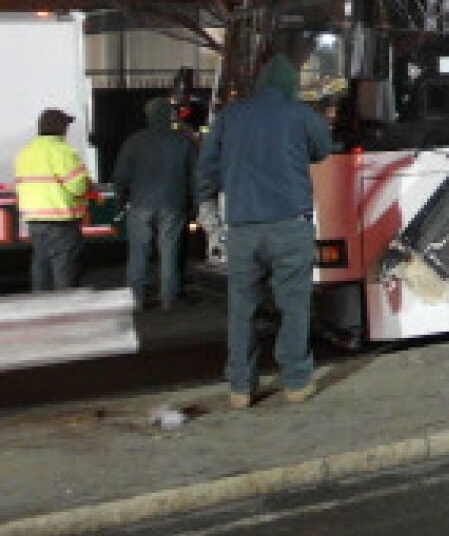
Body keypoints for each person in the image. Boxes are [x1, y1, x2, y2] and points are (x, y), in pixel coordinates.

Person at [196, 56, 330, 409]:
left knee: (242, 309)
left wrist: (207, 206)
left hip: (242, 229)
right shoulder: (300, 114)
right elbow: (323, 150)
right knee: (293, 306)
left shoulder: (230, 116)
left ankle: (240, 388)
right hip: (289, 225)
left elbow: (206, 166)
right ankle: (296, 382)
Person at [114, 97, 197, 310]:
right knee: (169, 250)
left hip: (140, 203)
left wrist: (121, 201)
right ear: (169, 115)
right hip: (173, 203)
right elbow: (196, 176)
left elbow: (121, 175)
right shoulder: (183, 141)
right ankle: (169, 298)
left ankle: (137, 299)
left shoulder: (134, 141)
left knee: (139, 252)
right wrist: (195, 206)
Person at [12, 107, 93, 291]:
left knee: (41, 265)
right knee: (64, 267)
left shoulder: (25, 152)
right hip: (60, 219)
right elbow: (78, 186)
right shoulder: (62, 151)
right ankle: (66, 310)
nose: (67, 130)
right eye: (66, 126)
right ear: (59, 127)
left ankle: (41, 308)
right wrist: (87, 183)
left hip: (34, 220)